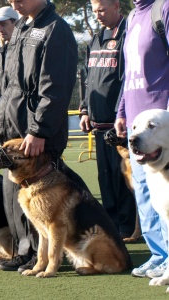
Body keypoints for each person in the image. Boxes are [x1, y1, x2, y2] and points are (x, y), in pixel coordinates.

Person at [0, 0, 89, 273]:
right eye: (10, 0)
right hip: (16, 128)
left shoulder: (55, 29)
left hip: (37, 134)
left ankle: (43, 257)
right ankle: (26, 252)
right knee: (17, 200)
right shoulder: (23, 26)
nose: (15, 4)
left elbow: (54, 87)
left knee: (47, 204)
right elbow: (11, 85)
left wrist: (38, 130)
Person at [115, 0, 169, 278]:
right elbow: (129, 73)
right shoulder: (133, 15)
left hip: (160, 129)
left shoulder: (164, 8)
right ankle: (158, 254)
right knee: (146, 197)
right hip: (137, 126)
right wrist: (122, 111)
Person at [79, 0, 136, 240]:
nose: (97, 15)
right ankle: (112, 224)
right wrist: (84, 110)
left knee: (123, 178)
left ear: (116, 5)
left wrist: (122, 114)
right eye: (94, 11)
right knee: (105, 177)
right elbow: (87, 76)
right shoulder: (96, 38)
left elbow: (126, 78)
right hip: (98, 125)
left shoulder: (127, 33)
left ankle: (129, 226)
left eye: (102, 9)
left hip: (119, 125)